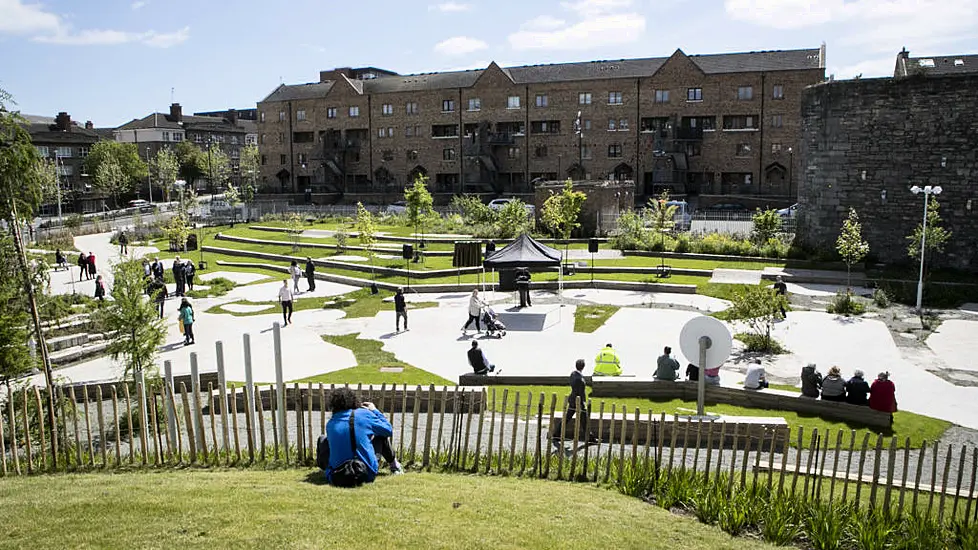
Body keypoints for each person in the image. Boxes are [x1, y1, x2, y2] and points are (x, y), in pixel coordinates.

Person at [316, 387, 402, 486]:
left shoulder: (331, 423)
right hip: (367, 474)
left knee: (323, 439)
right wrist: (374, 410)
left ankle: (329, 469)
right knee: (380, 435)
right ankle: (395, 466)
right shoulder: (365, 414)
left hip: (337, 475)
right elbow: (388, 430)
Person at [552, 359, 598, 446]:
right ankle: (590, 438)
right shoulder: (580, 380)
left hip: (572, 399)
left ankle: (556, 435)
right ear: (583, 367)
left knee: (567, 418)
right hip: (578, 401)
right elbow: (580, 392)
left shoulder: (573, 374)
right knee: (584, 421)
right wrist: (582, 403)